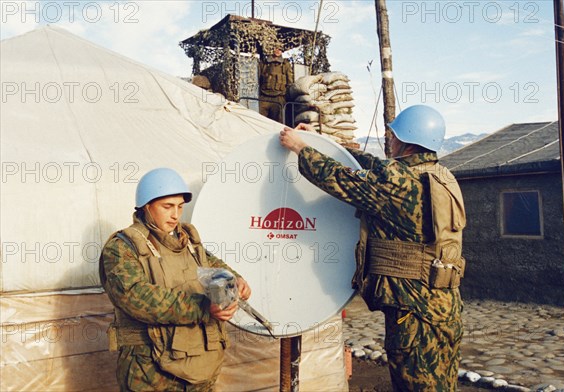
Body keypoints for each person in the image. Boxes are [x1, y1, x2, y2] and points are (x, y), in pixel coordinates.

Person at [279, 105, 466, 391]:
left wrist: (302, 148)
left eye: (393, 134)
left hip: (414, 314)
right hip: (443, 307)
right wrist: (323, 141)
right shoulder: (439, 176)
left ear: (405, 139)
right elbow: (374, 168)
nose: (388, 139)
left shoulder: (396, 182)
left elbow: (338, 178)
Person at [99, 167, 251, 391]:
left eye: (180, 207)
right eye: (167, 207)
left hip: (200, 364)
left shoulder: (187, 242)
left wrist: (236, 281)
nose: (176, 215)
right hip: (149, 370)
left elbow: (213, 266)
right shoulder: (122, 248)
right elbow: (137, 298)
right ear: (146, 207)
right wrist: (203, 308)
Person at [259, 46, 293, 123]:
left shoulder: (285, 64)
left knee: (278, 123)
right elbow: (258, 79)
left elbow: (290, 82)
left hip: (279, 98)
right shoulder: (264, 63)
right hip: (264, 97)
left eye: (280, 49)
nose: (278, 51)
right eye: (276, 48)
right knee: (260, 121)